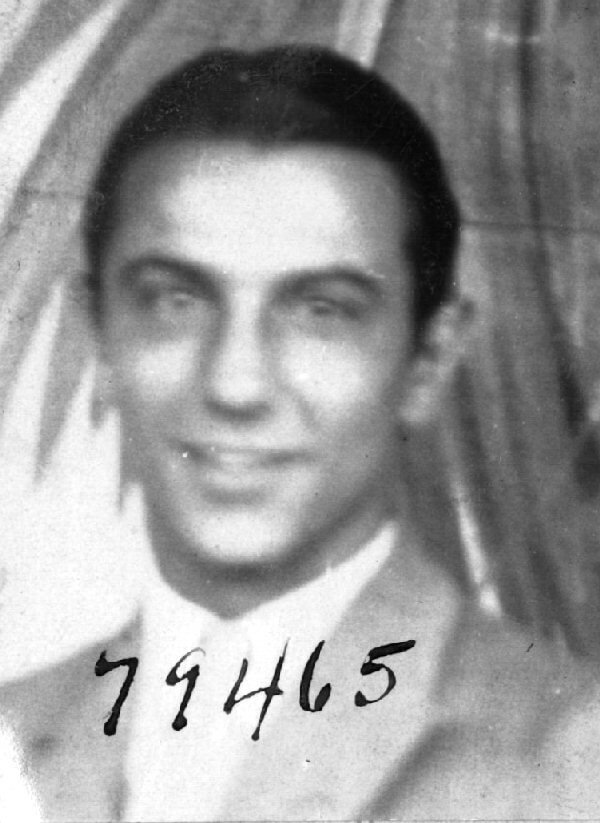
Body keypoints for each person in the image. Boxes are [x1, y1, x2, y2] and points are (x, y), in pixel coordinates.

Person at [0, 45, 592, 821]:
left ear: (428, 356)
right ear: (99, 337)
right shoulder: (15, 731)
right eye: (175, 300)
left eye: (322, 311)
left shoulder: (568, 758)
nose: (235, 384)